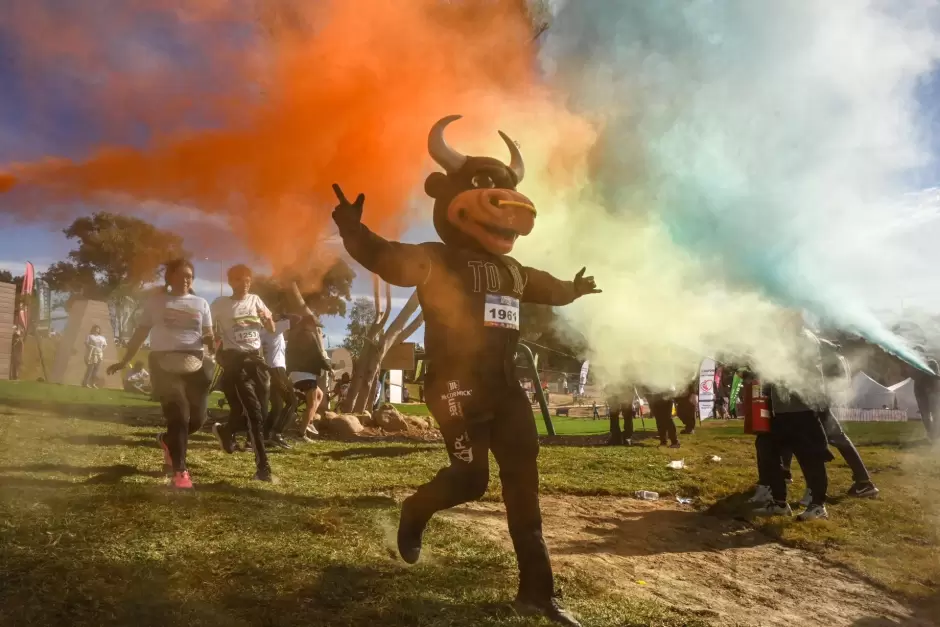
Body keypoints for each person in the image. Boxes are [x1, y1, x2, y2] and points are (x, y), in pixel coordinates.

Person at [332, 115, 601, 626]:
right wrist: (351, 227)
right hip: (454, 389)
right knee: (471, 480)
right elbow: (384, 257)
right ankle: (415, 511)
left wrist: (574, 288)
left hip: (506, 390)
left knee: (525, 485)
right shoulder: (435, 258)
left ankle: (537, 594)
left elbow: (550, 287)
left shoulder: (516, 271)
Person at [107, 259, 214, 489]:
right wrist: (124, 360)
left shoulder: (201, 303)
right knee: (178, 415)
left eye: (190, 276)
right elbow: (140, 333)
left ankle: (167, 441)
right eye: (181, 275)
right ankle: (180, 472)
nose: (186, 279)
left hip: (195, 362)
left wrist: (213, 343)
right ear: (170, 277)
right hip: (164, 363)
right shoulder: (156, 303)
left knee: (198, 419)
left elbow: (208, 335)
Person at [753, 311, 840, 521]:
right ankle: (780, 502)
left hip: (803, 408)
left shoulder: (804, 339)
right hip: (782, 409)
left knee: (810, 458)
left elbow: (793, 368)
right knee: (767, 449)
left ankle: (818, 505)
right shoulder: (780, 339)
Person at [209, 265, 278, 483]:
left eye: (248, 279)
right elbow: (209, 330)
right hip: (235, 362)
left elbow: (272, 328)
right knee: (254, 414)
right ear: (231, 282)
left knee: (260, 414)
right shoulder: (220, 304)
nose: (245, 283)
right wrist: (214, 347)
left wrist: (266, 320)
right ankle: (263, 469)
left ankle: (225, 430)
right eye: (240, 280)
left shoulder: (256, 300)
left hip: (256, 362)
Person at [286, 313, 329, 442]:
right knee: (311, 404)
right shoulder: (309, 335)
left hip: (296, 372)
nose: (316, 328)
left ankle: (308, 421)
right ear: (309, 324)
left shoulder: (294, 335)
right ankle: (301, 434)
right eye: (315, 326)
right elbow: (318, 354)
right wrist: (329, 368)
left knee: (319, 395)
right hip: (305, 373)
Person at [261, 312, 294, 450]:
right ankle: (277, 434)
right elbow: (296, 319)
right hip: (277, 369)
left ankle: (265, 435)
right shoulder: (274, 329)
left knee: (277, 406)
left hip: (269, 369)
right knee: (292, 402)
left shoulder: (262, 332)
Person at [10, 315, 24, 381]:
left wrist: (19, 356)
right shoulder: (14, 340)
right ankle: (13, 377)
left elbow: (21, 349)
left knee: (16, 367)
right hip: (13, 356)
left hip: (17, 356)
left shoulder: (19, 341)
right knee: (13, 367)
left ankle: (15, 377)